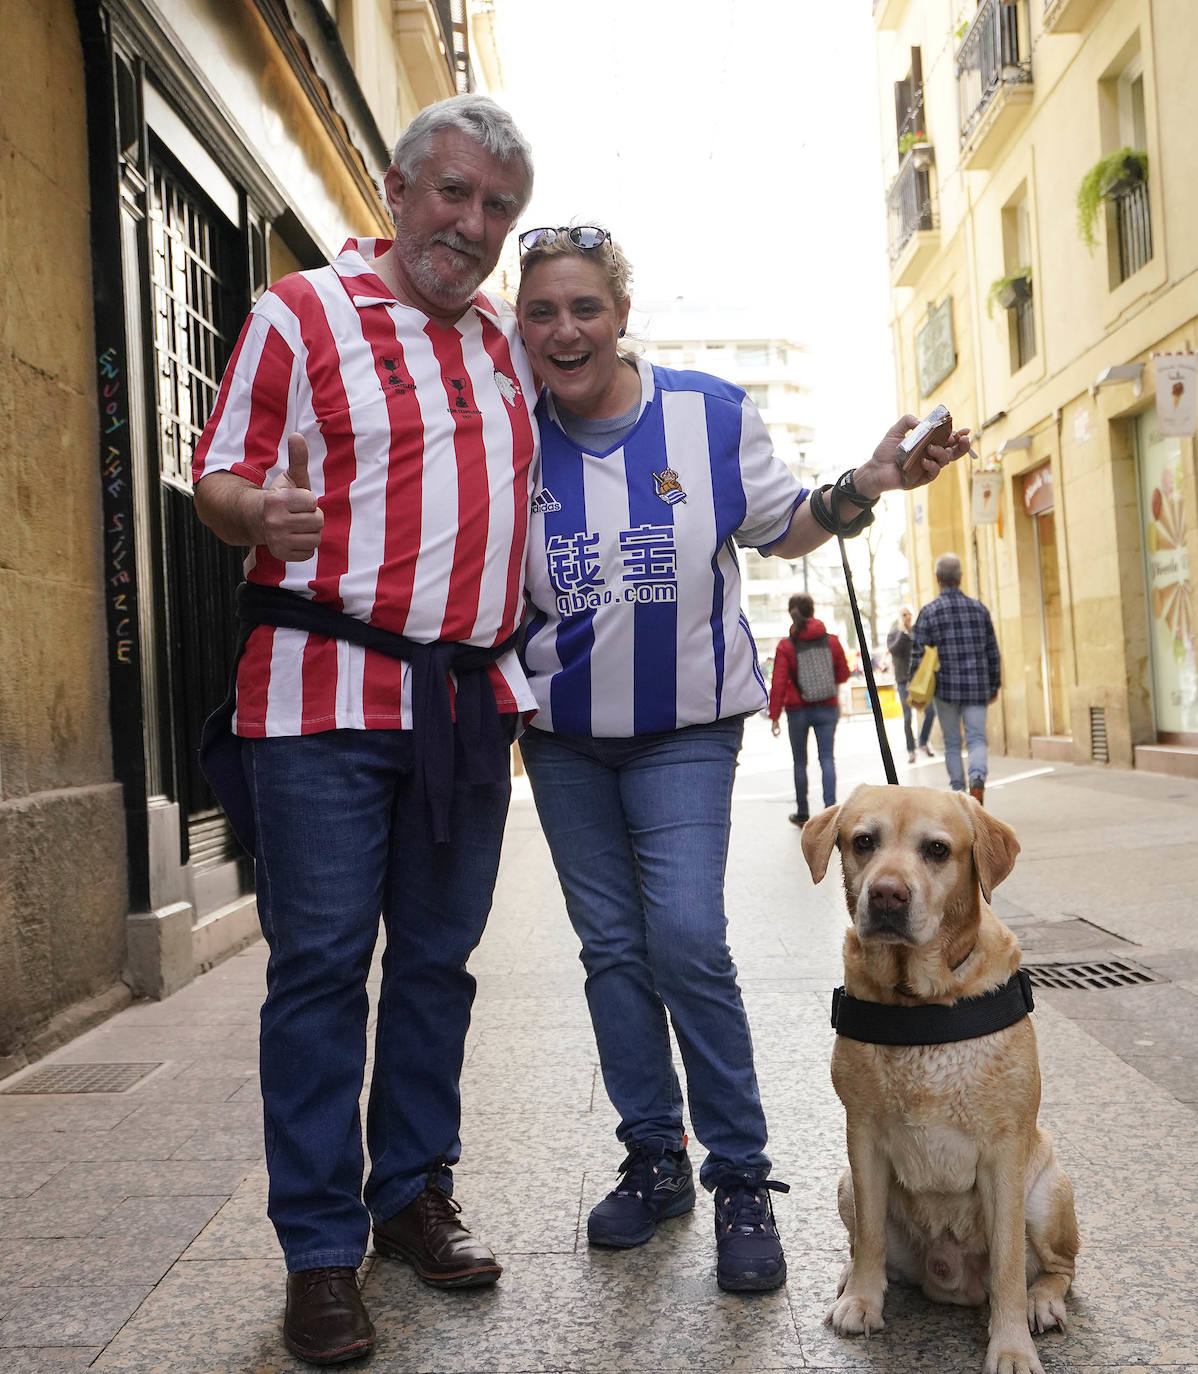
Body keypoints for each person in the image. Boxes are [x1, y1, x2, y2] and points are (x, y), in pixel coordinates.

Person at [512, 225, 970, 1294]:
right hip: (564, 739)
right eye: (541, 312)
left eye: (584, 307)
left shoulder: (705, 415)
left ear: (621, 315)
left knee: (682, 937)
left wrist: (869, 480)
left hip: (683, 729)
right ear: (519, 327)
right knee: (611, 952)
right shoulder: (510, 427)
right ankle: (653, 1160)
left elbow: (790, 522)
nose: (564, 330)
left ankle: (741, 1177)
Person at [191, 95, 538, 1366]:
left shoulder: (500, 341)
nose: (473, 224)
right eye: (452, 193)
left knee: (439, 966)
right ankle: (321, 1251)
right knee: (324, 970)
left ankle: (410, 1197)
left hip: (463, 705)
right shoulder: (299, 311)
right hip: (321, 700)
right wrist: (252, 517)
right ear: (396, 191)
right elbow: (218, 470)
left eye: (497, 207)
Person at [909, 553, 1001, 804]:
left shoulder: (929, 612)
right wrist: (995, 684)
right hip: (977, 686)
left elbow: (917, 654)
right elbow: (992, 650)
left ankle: (960, 793)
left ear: (937, 579)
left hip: (944, 688)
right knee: (976, 738)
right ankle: (978, 778)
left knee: (952, 742)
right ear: (960, 578)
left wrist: (914, 689)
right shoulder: (979, 609)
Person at [767, 593, 850, 827]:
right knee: (827, 758)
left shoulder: (786, 645)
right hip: (827, 707)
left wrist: (774, 716)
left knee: (799, 762)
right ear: (813, 610)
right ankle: (831, 811)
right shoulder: (831, 641)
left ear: (791, 613)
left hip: (797, 710)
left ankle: (803, 812)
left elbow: (779, 682)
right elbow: (843, 673)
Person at [887, 604, 936, 763]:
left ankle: (923, 741)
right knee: (907, 716)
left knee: (930, 711)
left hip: (919, 680)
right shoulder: (895, 633)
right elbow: (894, 650)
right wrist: (903, 633)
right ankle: (911, 750)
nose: (906, 617)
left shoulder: (918, 632)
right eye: (903, 615)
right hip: (903, 680)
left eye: (908, 614)